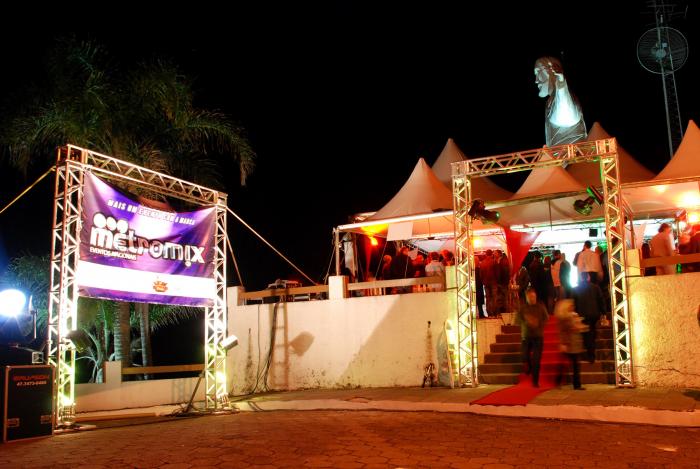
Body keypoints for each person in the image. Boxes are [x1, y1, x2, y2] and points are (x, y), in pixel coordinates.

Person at [534, 57, 587, 147]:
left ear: (551, 70)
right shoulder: (551, 101)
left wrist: (561, 82)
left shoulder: (564, 97)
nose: (536, 80)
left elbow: (565, 109)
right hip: (560, 157)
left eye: (538, 72)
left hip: (571, 159)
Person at [515, 288, 549, 387]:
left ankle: (535, 381)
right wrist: (526, 322)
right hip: (526, 336)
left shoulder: (540, 307)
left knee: (536, 359)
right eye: (530, 297)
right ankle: (528, 366)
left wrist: (538, 323)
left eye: (533, 297)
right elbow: (517, 320)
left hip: (538, 336)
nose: (532, 299)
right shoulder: (523, 308)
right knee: (524, 356)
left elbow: (546, 318)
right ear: (527, 298)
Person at [554, 299, 587, 390]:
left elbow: (577, 327)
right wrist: (563, 343)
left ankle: (576, 385)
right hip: (568, 343)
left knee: (575, 365)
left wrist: (581, 327)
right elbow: (562, 331)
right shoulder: (564, 317)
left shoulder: (574, 315)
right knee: (567, 365)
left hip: (575, 342)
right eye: (570, 305)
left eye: (572, 305)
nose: (572, 306)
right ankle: (560, 381)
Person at [573, 273, 606, 363]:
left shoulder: (576, 289)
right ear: (588, 277)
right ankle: (591, 354)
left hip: (582, 315)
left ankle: (589, 353)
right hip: (594, 314)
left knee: (586, 334)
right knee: (592, 332)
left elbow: (574, 303)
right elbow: (601, 299)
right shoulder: (595, 287)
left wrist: (576, 313)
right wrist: (603, 312)